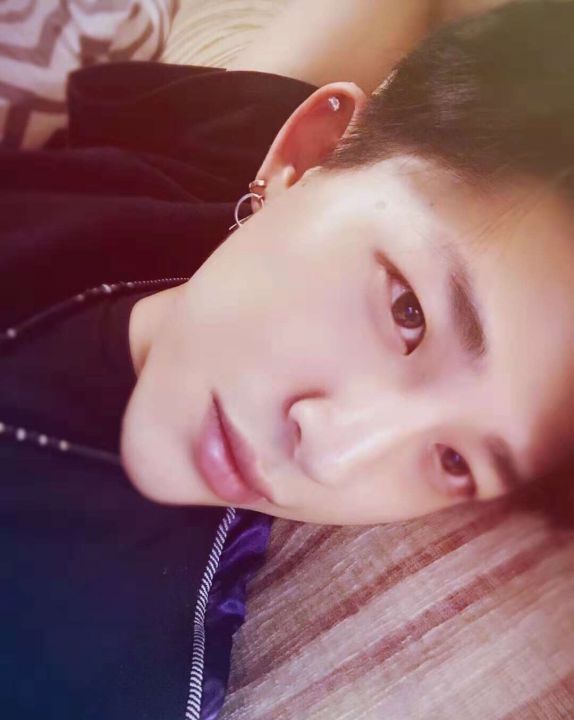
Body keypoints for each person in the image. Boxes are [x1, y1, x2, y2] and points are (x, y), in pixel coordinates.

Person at [1, 0, 574, 716]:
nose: (332, 457)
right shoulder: (213, 166)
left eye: (455, 460)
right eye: (408, 313)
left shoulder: (92, 666)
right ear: (305, 157)